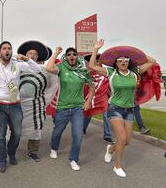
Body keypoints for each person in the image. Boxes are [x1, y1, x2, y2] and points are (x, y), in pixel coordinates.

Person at [89, 39, 156, 178]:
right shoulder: (111, 72)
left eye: (126, 60)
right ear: (116, 62)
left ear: (129, 62)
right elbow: (92, 66)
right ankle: (117, 166)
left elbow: (152, 61)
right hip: (115, 108)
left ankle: (111, 148)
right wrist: (95, 49)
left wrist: (135, 52)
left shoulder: (135, 72)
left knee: (127, 141)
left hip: (129, 109)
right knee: (122, 138)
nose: (123, 62)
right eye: (120, 60)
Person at [0, 41, 41, 173]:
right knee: (0, 136)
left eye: (9, 48)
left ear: (11, 51)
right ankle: (2, 160)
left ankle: (11, 152)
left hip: (15, 105)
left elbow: (37, 69)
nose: (7, 50)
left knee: (17, 134)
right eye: (4, 48)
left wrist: (26, 58)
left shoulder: (19, 65)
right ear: (0, 52)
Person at [46, 47, 95, 171]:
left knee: (78, 135)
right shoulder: (62, 67)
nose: (72, 56)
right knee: (58, 131)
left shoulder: (83, 70)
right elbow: (48, 68)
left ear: (77, 56)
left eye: (74, 54)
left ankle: (73, 159)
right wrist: (56, 52)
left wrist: (88, 101)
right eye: (69, 54)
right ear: (66, 57)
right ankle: (54, 148)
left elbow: (92, 86)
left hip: (78, 108)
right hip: (62, 108)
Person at [17, 40, 52, 162]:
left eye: (35, 54)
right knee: (15, 127)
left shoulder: (44, 70)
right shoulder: (17, 67)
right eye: (30, 53)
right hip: (19, 104)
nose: (32, 55)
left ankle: (32, 151)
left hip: (36, 104)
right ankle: (12, 148)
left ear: (38, 57)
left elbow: (51, 86)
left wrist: (44, 101)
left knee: (36, 128)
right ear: (25, 55)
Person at [83, 53, 114, 143]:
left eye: (99, 61)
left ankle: (107, 135)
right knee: (88, 114)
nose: (97, 62)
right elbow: (85, 85)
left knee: (106, 115)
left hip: (103, 97)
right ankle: (83, 128)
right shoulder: (88, 73)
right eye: (95, 61)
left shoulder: (106, 72)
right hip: (92, 96)